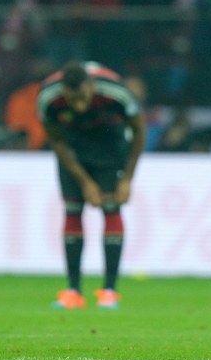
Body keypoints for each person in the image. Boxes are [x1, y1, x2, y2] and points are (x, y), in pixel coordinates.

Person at [37, 61, 146, 309]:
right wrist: (85, 182)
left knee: (111, 207)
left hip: (111, 147)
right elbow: (55, 139)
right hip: (73, 150)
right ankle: (73, 291)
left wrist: (128, 179)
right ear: (63, 91)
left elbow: (139, 132)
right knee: (72, 211)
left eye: (83, 97)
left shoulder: (117, 93)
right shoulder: (47, 97)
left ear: (92, 86)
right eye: (72, 99)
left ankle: (109, 291)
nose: (78, 106)